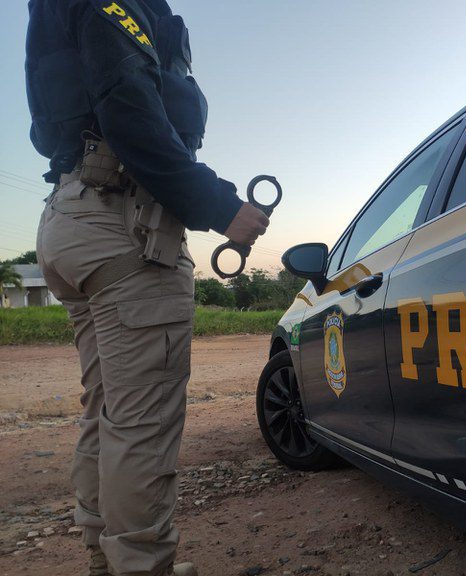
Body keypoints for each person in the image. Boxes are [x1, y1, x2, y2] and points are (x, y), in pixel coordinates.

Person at [25, 1, 270, 574]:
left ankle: (104, 557)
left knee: (108, 407)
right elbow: (129, 106)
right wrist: (219, 205)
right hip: (121, 222)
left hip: (72, 213)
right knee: (142, 421)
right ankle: (142, 566)